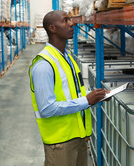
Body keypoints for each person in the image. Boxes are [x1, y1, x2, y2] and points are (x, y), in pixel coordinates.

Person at [29, 10, 109, 166]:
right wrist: (86, 101)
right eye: (65, 21)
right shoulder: (43, 65)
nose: (71, 23)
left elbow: (73, 92)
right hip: (60, 143)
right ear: (52, 28)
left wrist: (96, 96)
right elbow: (46, 109)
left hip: (78, 137)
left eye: (70, 19)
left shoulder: (67, 57)